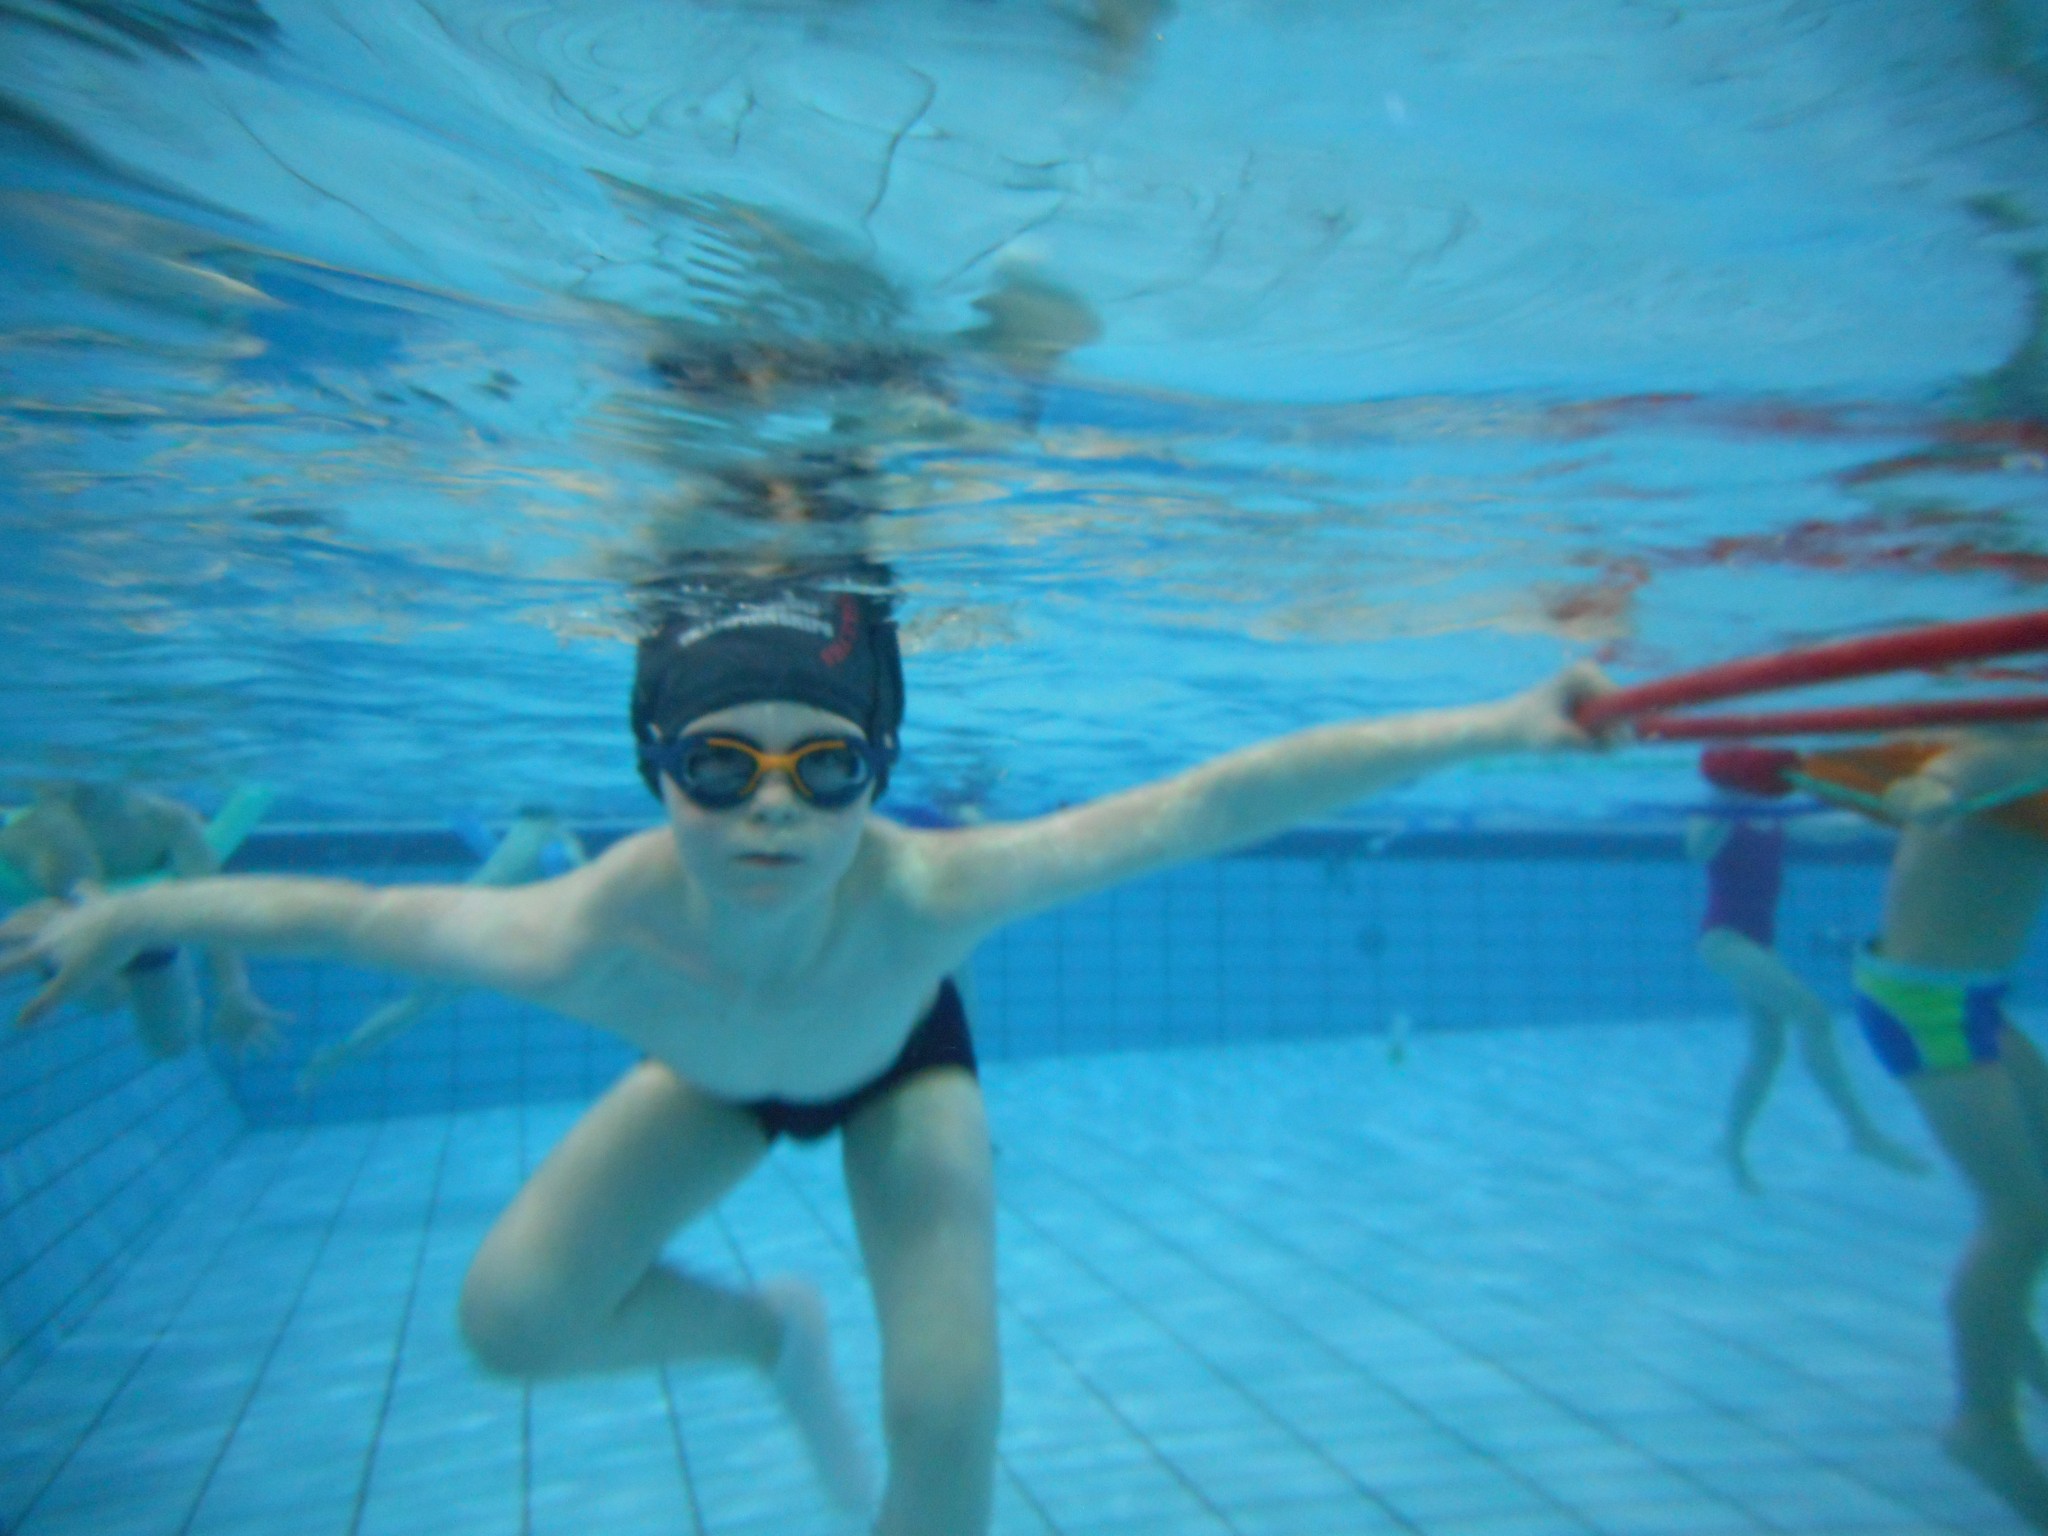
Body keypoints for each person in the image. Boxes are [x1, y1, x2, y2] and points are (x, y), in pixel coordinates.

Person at [0, 563, 1613, 1536]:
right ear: (655, 769)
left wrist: (1497, 724)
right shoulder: (577, 933)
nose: (771, 809)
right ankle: (762, 1332)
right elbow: (343, 915)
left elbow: (1212, 801)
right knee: (513, 1319)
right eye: (721, 765)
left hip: (898, 1064)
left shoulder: (934, 892)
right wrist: (123, 911)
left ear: (877, 771)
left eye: (824, 767)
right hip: (716, 1066)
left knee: (947, 1409)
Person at [1783, 731, 2048, 1529]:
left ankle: (2019, 1353)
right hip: (1929, 1005)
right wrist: (1927, 797)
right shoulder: (1997, 750)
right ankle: (1982, 1426)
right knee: (2020, 1217)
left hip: (1969, 996)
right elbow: (1946, 781)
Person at [1687, 745, 1925, 1192]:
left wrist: (1885, 813)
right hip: (1723, 940)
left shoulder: (1773, 817)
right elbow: (1696, 849)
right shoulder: (1717, 814)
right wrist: (1726, 803)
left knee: (1767, 1051)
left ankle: (1731, 1146)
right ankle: (1860, 1131)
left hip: (1758, 944)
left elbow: (1831, 834)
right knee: (1813, 1015)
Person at [296, 807, 588, 1093]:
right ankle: (340, 1054)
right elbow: (572, 882)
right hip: (478, 933)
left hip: (454, 915)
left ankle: (341, 1053)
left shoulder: (522, 832)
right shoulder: (558, 838)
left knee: (417, 1003)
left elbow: (488, 849)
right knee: (417, 1005)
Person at [0, 780, 283, 1059]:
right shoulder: (38, 831)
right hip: (71, 933)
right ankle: (50, 950)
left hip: (144, 935)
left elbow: (216, 909)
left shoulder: (168, 822)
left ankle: (58, 951)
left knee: (172, 1044)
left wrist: (234, 992)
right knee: (108, 998)